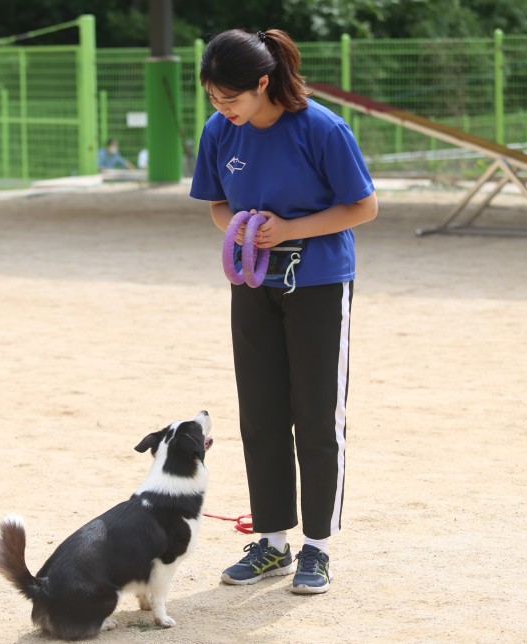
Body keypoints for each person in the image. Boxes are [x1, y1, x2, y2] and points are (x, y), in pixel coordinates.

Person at [190, 28, 377, 595]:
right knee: (261, 414)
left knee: (317, 417)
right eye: (214, 99)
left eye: (232, 99)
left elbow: (364, 206)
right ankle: (272, 542)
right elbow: (218, 205)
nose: (222, 110)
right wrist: (243, 229)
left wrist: (290, 229)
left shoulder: (322, 128)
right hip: (251, 281)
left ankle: (318, 548)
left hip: (318, 280)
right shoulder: (221, 131)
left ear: (263, 83)